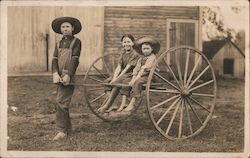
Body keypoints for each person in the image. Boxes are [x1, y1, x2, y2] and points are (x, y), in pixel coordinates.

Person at [51, 16, 82, 140]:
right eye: (63, 27)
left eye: (67, 27)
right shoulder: (58, 43)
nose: (65, 29)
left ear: (72, 28)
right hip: (58, 75)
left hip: (68, 75)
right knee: (60, 101)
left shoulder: (76, 42)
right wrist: (54, 73)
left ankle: (62, 131)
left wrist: (69, 74)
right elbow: (54, 59)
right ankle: (67, 128)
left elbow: (75, 59)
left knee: (61, 102)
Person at [97, 34, 140, 113]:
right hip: (122, 73)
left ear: (133, 43)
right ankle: (114, 104)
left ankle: (107, 105)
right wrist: (114, 78)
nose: (126, 44)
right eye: (124, 42)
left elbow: (127, 68)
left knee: (117, 83)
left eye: (128, 42)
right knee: (107, 82)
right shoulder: (123, 52)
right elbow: (119, 67)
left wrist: (117, 79)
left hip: (130, 74)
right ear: (122, 43)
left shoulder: (135, 54)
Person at [123, 36, 160, 112]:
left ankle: (132, 103)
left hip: (151, 76)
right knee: (127, 81)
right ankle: (126, 100)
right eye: (144, 49)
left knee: (138, 82)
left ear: (152, 49)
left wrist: (135, 80)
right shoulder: (141, 59)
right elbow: (136, 70)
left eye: (147, 49)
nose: (145, 51)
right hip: (142, 75)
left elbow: (144, 69)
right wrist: (132, 79)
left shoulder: (152, 57)